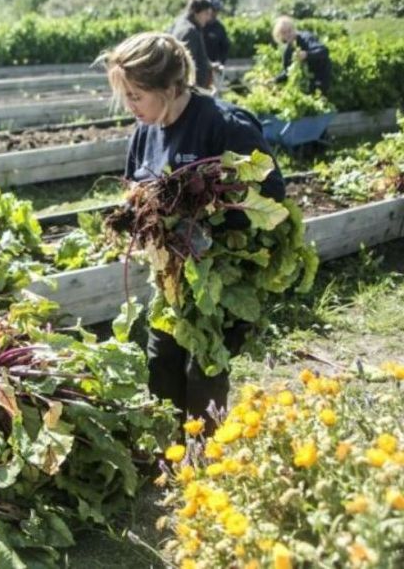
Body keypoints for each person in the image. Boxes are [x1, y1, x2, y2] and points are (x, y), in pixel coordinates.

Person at [98, 32, 285, 431]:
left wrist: (208, 211)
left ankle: (204, 456)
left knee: (204, 365)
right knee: (160, 358)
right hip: (171, 274)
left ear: (170, 87)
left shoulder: (224, 125)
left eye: (135, 95)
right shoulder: (145, 130)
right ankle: (170, 448)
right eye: (125, 96)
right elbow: (135, 186)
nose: (131, 107)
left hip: (219, 272)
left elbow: (271, 196)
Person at [272, 16, 332, 95]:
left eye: (289, 31)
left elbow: (324, 51)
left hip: (320, 78)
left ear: (294, 29)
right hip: (306, 82)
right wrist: (275, 80)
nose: (288, 34)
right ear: (280, 36)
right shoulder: (288, 51)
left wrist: (307, 55)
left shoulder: (305, 38)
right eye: (284, 32)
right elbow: (287, 71)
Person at [168, 0, 214, 89]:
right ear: (196, 12)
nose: (208, 18)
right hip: (192, 89)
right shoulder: (189, 31)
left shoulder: (180, 23)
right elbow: (187, 63)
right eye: (206, 13)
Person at [202, 0, 230, 66]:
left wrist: (220, 62)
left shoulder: (220, 28)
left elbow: (224, 48)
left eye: (216, 10)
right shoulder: (198, 26)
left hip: (214, 68)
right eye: (213, 10)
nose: (214, 13)